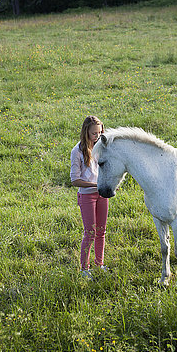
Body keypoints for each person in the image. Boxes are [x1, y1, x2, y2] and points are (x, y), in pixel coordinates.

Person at [70, 115, 109, 280]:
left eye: (100, 133)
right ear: (86, 133)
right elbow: (74, 180)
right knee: (90, 232)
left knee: (101, 231)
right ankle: (84, 269)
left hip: (102, 195)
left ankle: (99, 264)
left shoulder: (102, 147)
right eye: (94, 134)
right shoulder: (77, 151)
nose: (97, 137)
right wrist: (95, 185)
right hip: (87, 196)